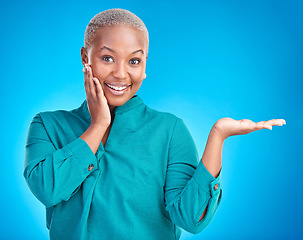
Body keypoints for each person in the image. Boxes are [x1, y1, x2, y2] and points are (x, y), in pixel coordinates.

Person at [23, 8, 286, 240]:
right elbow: (48, 189)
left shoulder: (170, 131)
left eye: (134, 61)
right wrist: (98, 125)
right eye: (107, 58)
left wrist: (218, 136)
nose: (121, 73)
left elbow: (191, 219)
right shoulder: (48, 124)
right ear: (85, 57)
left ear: (145, 64)